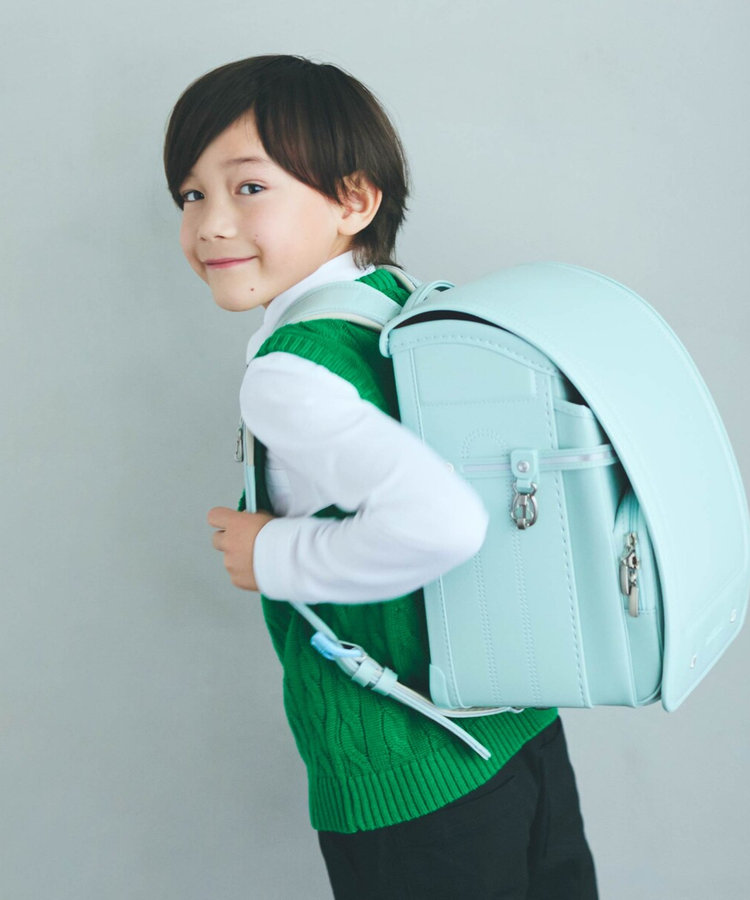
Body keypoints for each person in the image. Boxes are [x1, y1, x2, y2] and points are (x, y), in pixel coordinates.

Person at [163, 54, 598, 899]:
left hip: (411, 768)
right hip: (514, 723)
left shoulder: (290, 371)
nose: (211, 224)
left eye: (249, 188)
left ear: (353, 200)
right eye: (191, 194)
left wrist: (272, 555)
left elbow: (444, 523)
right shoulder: (404, 304)